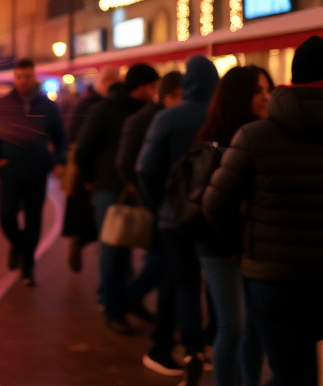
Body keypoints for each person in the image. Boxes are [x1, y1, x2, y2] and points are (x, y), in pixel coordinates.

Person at [204, 36, 323, 386]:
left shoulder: (253, 136)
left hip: (273, 279)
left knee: (289, 371)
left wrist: (243, 244)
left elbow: (216, 203)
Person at [137, 55, 219, 386]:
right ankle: (215, 342)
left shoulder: (168, 118)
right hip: (215, 214)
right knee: (216, 282)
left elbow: (145, 168)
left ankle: (192, 351)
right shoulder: (223, 116)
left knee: (184, 283)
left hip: (175, 217)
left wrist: (159, 204)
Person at [191, 66, 272, 386]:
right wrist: (235, 242)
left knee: (253, 325)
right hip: (218, 244)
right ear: (240, 96)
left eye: (268, 89)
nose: (267, 97)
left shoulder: (264, 134)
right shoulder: (214, 140)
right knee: (233, 325)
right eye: (258, 91)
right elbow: (213, 205)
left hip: (250, 244)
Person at [74, 63, 160, 333]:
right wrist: (90, 180)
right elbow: (83, 149)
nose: (156, 92)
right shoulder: (103, 110)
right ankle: (113, 309)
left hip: (139, 188)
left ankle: (129, 299)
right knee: (113, 250)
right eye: (154, 87)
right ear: (144, 87)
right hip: (109, 189)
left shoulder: (147, 112)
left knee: (139, 249)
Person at [116, 71, 186, 375]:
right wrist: (147, 199)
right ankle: (123, 299)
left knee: (160, 263)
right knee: (161, 265)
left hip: (164, 208)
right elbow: (129, 163)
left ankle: (127, 299)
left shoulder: (164, 118)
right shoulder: (150, 119)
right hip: (156, 206)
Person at [0, 59, 68, 285]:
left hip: (36, 171)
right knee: (6, 214)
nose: (23, 81)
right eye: (20, 77)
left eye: (28, 76)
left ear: (34, 77)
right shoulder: (2, 105)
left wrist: (59, 161)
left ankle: (28, 268)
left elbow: (60, 138)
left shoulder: (47, 106)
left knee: (34, 220)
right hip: (9, 172)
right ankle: (18, 244)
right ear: (15, 78)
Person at [62, 66, 121, 272]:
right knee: (93, 222)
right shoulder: (88, 105)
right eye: (109, 82)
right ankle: (79, 244)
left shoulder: (117, 105)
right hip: (87, 173)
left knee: (108, 227)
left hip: (108, 173)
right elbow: (75, 139)